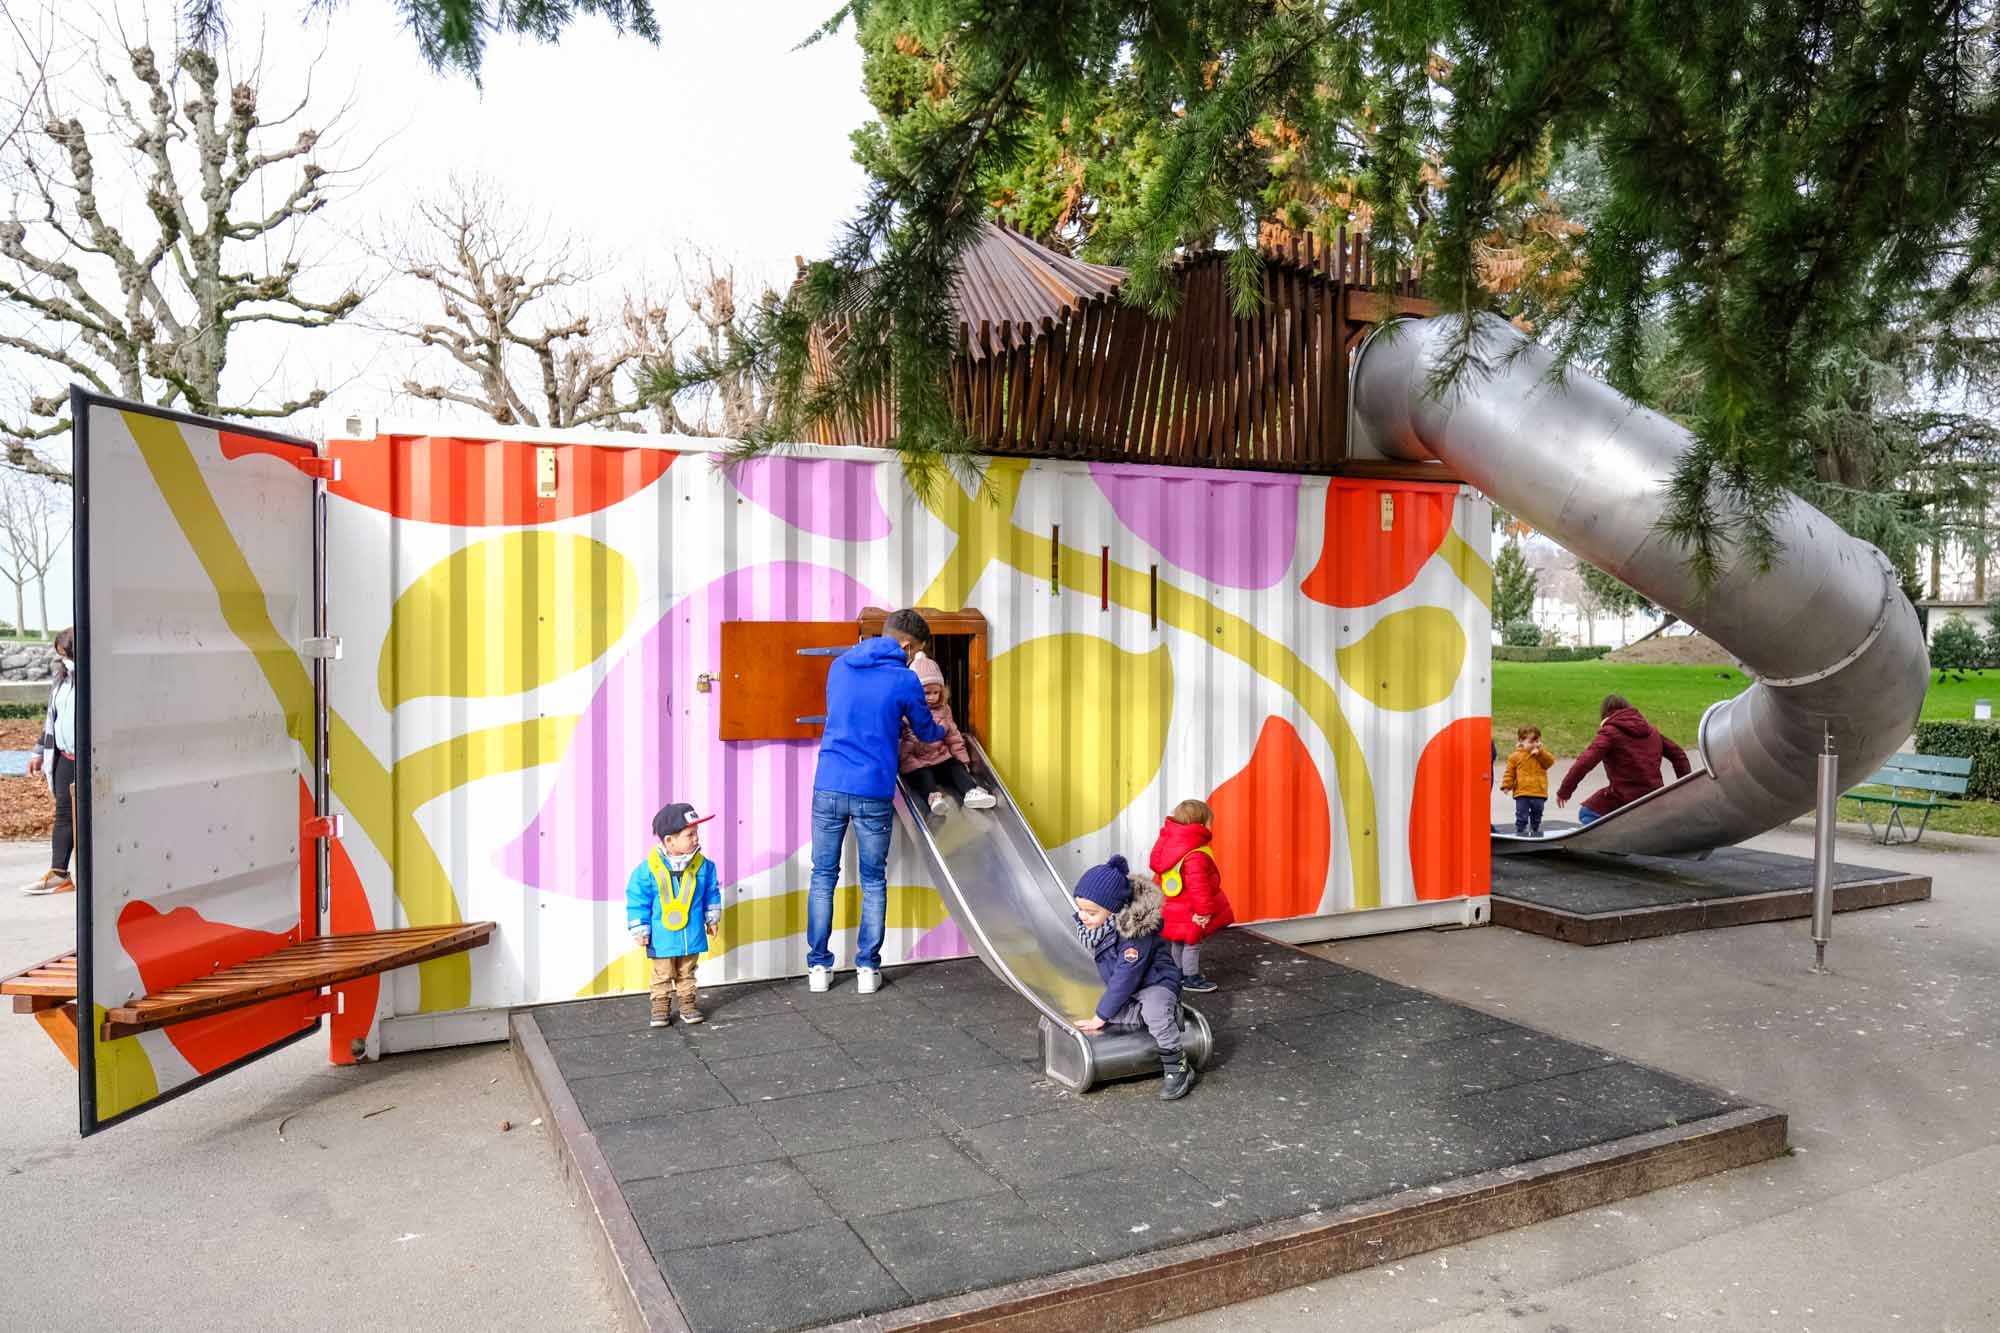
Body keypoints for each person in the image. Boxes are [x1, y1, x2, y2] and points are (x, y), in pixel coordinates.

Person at [807, 608, 944, 996]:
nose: (915, 657)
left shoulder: (839, 667)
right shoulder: (905, 679)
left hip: (830, 783)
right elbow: (926, 731)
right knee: (873, 880)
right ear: (906, 644)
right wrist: (944, 729)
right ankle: (867, 968)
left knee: (822, 877)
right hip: (872, 790)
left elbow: (850, 713)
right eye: (917, 651)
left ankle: (818, 967)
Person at [1072, 855, 1195, 1100]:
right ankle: (1170, 1014)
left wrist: (1100, 1016)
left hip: (1156, 982)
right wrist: (1105, 1013)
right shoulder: (1100, 926)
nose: (1083, 917)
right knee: (1115, 1016)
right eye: (1080, 909)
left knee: (1154, 1014)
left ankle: (1178, 1066)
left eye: (1091, 912)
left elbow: (1126, 976)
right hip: (1133, 985)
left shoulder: (1135, 934)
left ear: (1115, 910)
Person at [626, 802, 723, 1027]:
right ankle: (660, 1006)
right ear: (669, 840)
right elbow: (637, 900)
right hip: (662, 937)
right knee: (662, 973)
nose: (696, 838)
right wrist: (640, 929)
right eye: (690, 834)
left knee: (687, 971)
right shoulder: (648, 869)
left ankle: (688, 1004)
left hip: (692, 934)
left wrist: (712, 918)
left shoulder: (704, 866)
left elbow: (711, 893)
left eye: (696, 833)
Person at [1556, 694, 1692, 824]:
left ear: (1605, 714)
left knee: (1586, 813)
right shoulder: (1652, 731)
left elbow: (1585, 762)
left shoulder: (1610, 733)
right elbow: (1679, 755)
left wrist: (1565, 791)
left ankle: (1614, 839)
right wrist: (1685, 788)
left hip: (1623, 797)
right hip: (1654, 796)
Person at [1148, 798, 1233, 993]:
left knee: (1178, 941)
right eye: (1211, 823)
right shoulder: (1196, 853)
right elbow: (1198, 886)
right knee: (1192, 943)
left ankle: (1177, 974)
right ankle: (1191, 978)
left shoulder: (1169, 847)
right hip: (1191, 910)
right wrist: (1204, 911)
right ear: (1201, 825)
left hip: (1172, 907)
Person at [899, 653, 996, 816]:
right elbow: (898, 738)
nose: (931, 697)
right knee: (923, 776)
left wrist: (963, 759)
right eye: (926, 693)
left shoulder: (944, 710)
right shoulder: (905, 712)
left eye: (936, 692)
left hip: (939, 757)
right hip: (917, 761)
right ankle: (934, 799)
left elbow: (953, 737)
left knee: (954, 768)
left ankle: (971, 791)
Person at [22, 627, 76, 896]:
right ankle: (59, 874)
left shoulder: (96, 680)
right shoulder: (61, 679)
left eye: (66, 655)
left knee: (93, 820)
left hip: (91, 760)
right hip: (65, 757)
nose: (63, 660)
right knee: (64, 815)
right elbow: (51, 720)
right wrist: (39, 751)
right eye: (60, 656)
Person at [1500, 725, 1556, 836]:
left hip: (1539, 791)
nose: (1535, 744)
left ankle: (1535, 829)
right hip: (1522, 792)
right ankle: (1520, 830)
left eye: (1537, 741)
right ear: (1521, 741)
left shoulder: (1541, 754)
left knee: (1537, 814)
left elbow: (1549, 762)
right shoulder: (1515, 756)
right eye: (1531, 741)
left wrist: (1540, 753)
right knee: (1521, 815)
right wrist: (1507, 785)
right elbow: (1509, 773)